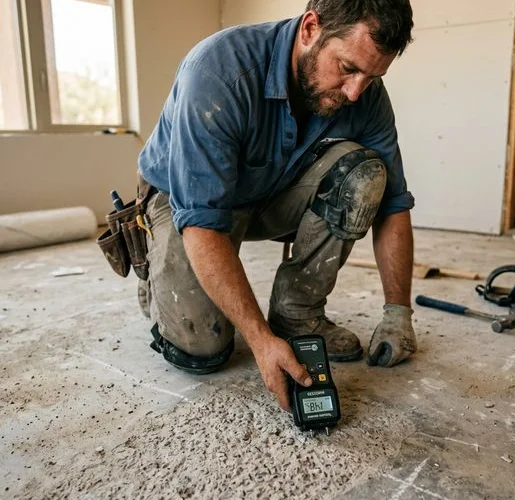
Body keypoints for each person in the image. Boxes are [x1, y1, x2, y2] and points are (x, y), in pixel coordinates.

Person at [135, 0, 417, 411]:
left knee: (366, 174)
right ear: (310, 29)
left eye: (373, 77)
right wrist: (262, 342)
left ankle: (296, 313)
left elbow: (393, 204)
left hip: (270, 188)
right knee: (202, 349)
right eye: (348, 69)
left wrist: (399, 313)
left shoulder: (365, 93)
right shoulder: (217, 71)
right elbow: (203, 222)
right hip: (187, 202)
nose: (356, 92)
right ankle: (154, 273)